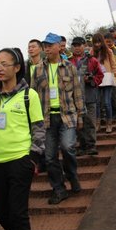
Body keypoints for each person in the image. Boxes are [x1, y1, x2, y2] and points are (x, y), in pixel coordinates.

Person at [0, 47, 45, 230]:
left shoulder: (28, 95)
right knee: (0, 212)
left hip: (19, 159)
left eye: (4, 64)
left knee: (18, 213)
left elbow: (38, 128)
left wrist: (32, 159)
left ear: (16, 68)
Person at [32, 33, 85, 204]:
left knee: (68, 146)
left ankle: (72, 175)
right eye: (44, 45)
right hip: (47, 118)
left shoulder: (69, 67)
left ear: (58, 47)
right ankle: (59, 188)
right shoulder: (38, 69)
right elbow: (33, 95)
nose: (46, 48)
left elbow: (77, 92)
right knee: (49, 156)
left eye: (49, 45)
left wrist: (81, 115)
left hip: (67, 115)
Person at [69, 36, 104, 156]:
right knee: (79, 123)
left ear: (84, 45)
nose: (77, 48)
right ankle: (82, 145)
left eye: (79, 45)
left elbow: (100, 76)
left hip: (89, 95)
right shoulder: (68, 62)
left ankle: (91, 145)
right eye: (75, 45)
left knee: (90, 121)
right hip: (74, 98)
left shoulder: (92, 60)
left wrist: (91, 79)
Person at [91, 33, 116, 133]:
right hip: (97, 78)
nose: (97, 44)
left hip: (107, 77)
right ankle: (98, 123)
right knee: (98, 103)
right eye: (95, 42)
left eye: (99, 42)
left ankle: (109, 123)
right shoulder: (91, 52)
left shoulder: (108, 51)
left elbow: (113, 64)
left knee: (107, 102)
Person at [104, 33, 116, 120]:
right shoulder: (101, 51)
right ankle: (108, 114)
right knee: (107, 97)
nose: (108, 43)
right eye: (106, 42)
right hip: (105, 77)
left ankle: (115, 113)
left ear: (113, 41)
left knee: (115, 95)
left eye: (110, 42)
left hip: (115, 75)